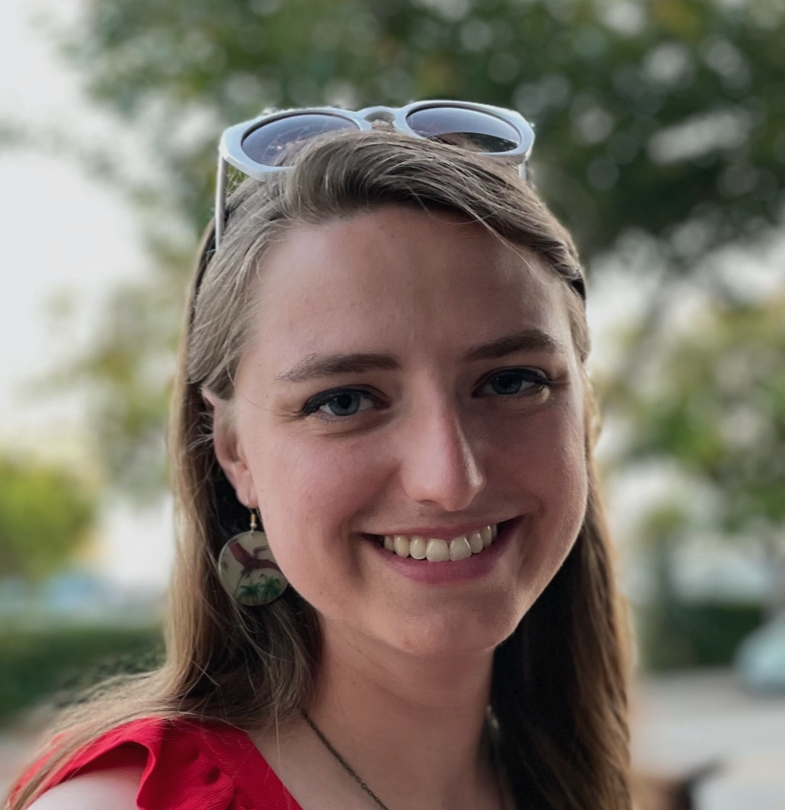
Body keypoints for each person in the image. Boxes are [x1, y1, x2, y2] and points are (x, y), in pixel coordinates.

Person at [7, 101, 632, 810]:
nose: (449, 479)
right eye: (343, 401)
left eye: (511, 381)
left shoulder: (564, 781)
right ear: (234, 450)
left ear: (582, 409)